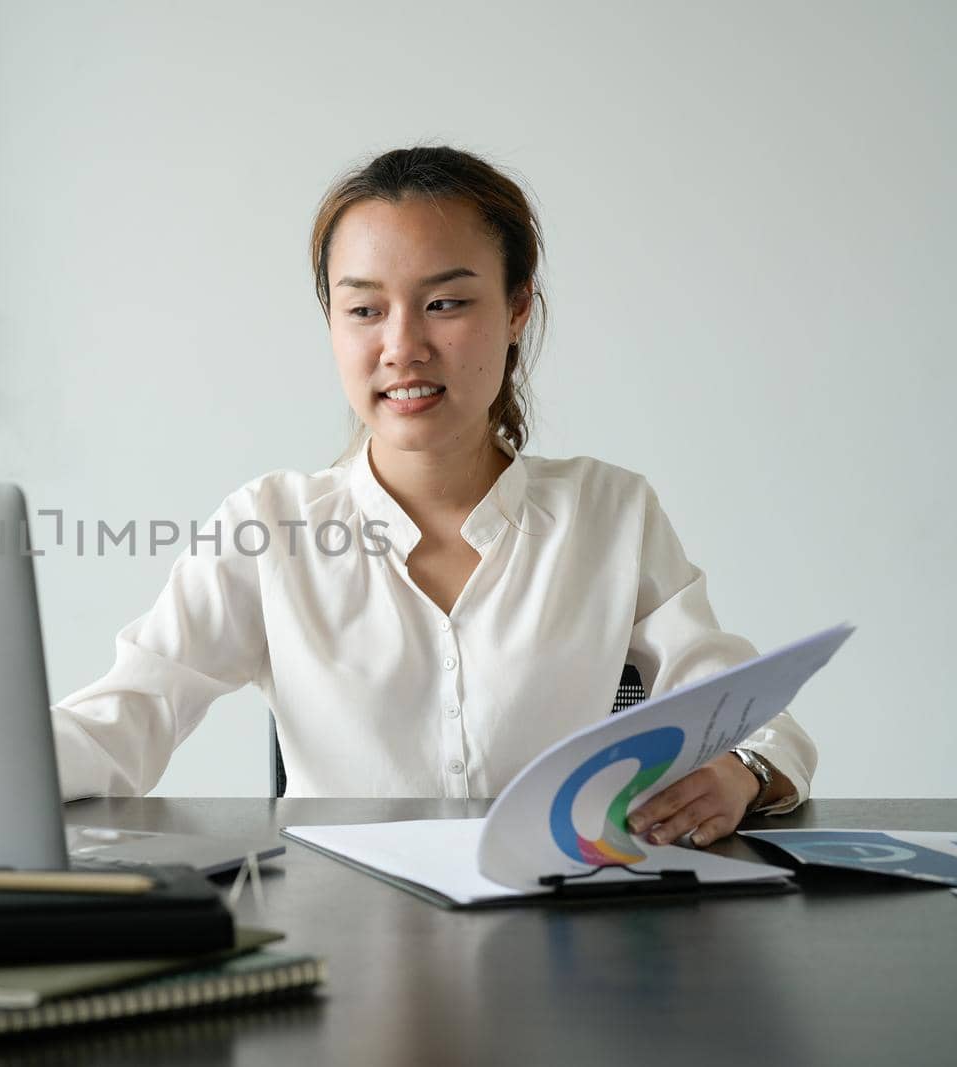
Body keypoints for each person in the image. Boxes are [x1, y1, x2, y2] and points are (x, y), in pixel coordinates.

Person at [49, 145, 815, 849]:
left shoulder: (608, 512)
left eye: (445, 304)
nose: (402, 345)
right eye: (364, 309)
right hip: (345, 946)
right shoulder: (269, 526)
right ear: (332, 323)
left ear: (518, 308)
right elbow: (121, 720)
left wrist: (738, 773)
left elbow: (756, 719)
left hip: (558, 941)